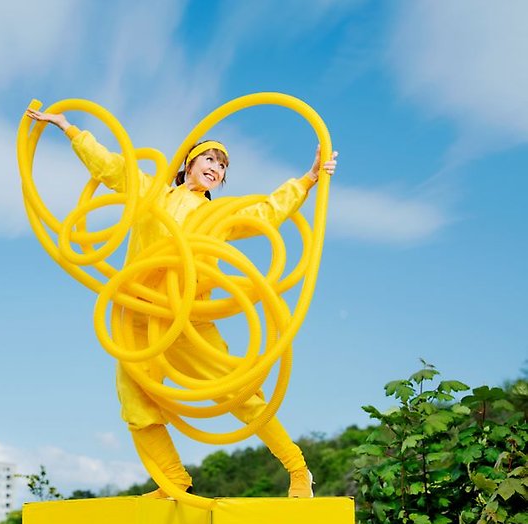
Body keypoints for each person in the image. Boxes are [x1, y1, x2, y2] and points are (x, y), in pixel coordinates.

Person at [26, 107, 338, 498]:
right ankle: (173, 482)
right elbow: (109, 166)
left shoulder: (218, 214)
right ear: (189, 163)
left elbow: (266, 212)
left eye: (223, 166)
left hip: (189, 319)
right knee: (135, 403)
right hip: (138, 317)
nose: (217, 167)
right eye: (211, 158)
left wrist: (308, 180)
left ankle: (298, 470)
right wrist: (70, 128)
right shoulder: (151, 191)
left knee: (237, 394)